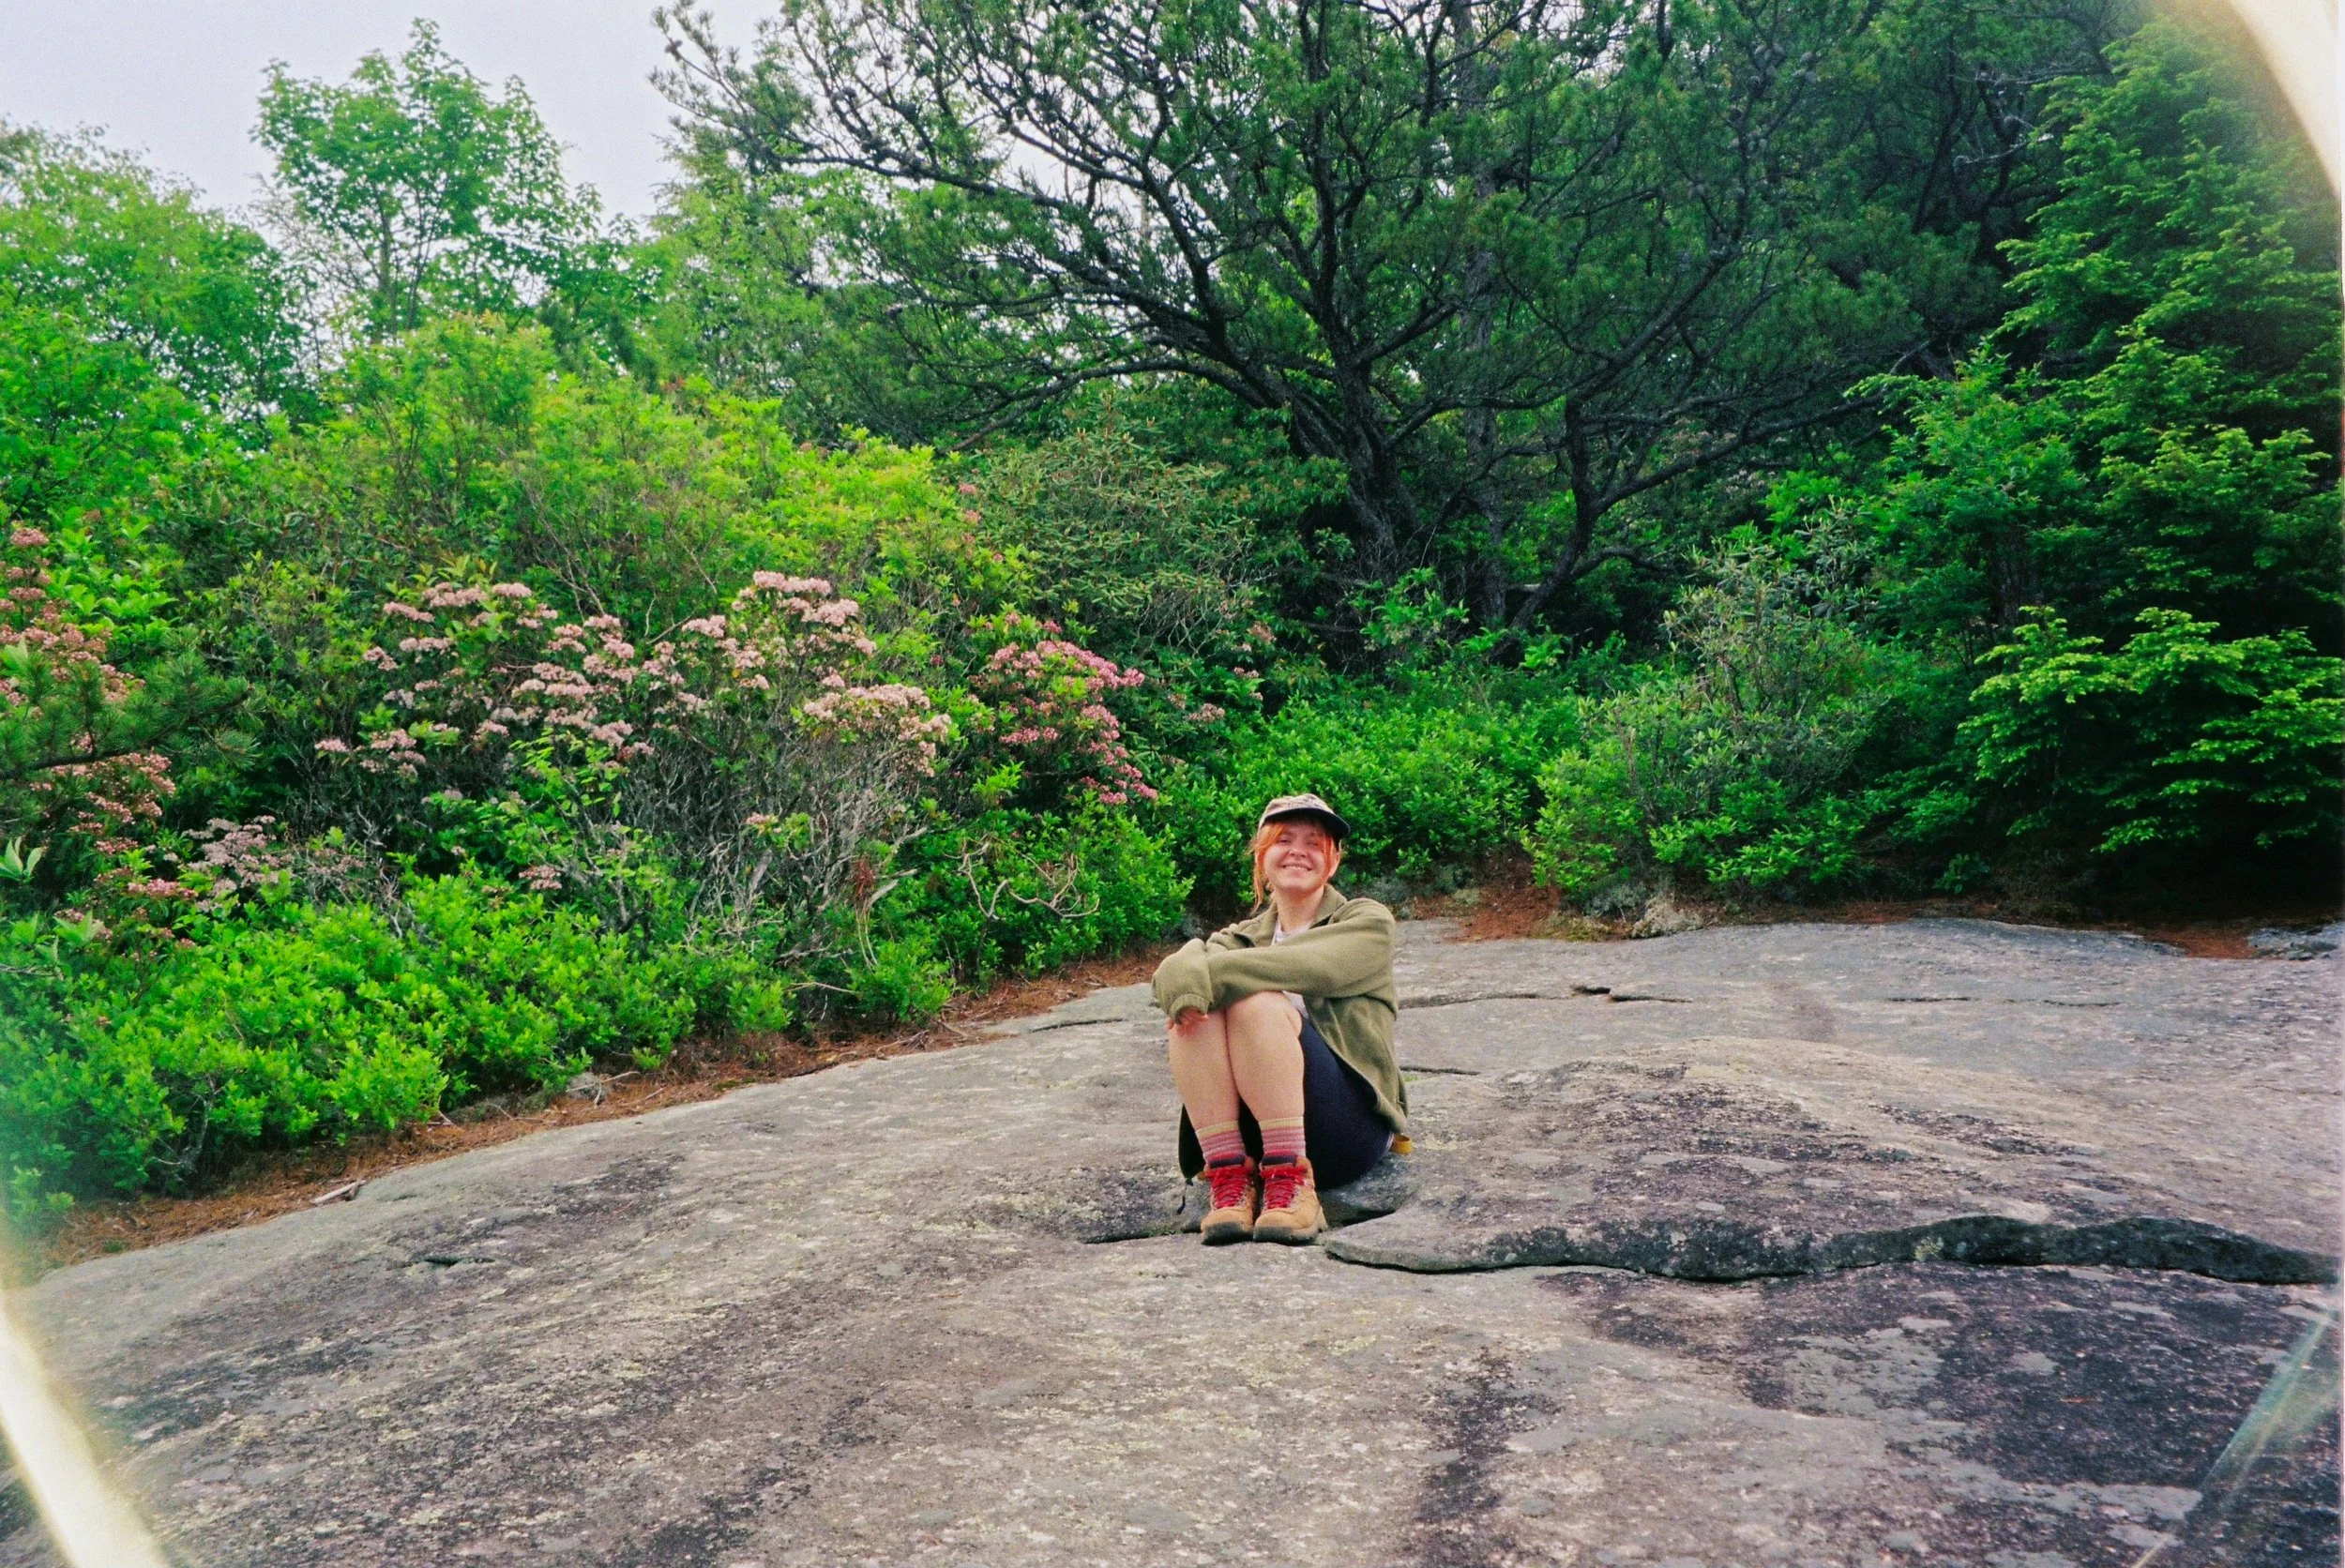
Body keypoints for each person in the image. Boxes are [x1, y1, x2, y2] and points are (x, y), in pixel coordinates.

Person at [1151, 794, 1407, 1244]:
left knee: (1256, 1004)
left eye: (1314, 842)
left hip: (1345, 1130)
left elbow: (1313, 968)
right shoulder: (1239, 938)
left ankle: (1294, 1184)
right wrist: (1193, 979)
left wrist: (1206, 974)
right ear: (1262, 856)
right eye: (1283, 840)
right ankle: (1230, 1179)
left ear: (1332, 861)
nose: (1297, 851)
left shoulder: (1367, 922)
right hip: (1253, 1137)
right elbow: (1169, 978)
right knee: (1194, 1015)